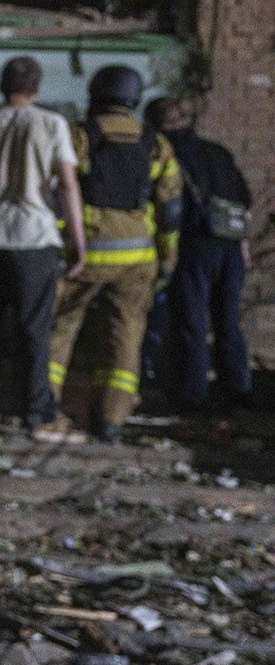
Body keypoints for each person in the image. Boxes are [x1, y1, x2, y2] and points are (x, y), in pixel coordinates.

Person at [0, 56, 87, 436]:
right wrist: (79, 241)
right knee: (33, 328)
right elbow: (69, 186)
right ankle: (38, 414)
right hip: (35, 237)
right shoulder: (53, 124)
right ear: (36, 87)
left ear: (1, 85)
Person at [46, 65, 182, 442]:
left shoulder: (79, 136)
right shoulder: (156, 144)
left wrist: (60, 248)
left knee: (59, 329)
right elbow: (171, 210)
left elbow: (58, 194)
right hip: (137, 259)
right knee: (124, 337)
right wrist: (167, 260)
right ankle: (110, 420)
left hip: (84, 255)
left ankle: (43, 408)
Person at [148, 96, 255, 435]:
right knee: (228, 322)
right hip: (230, 246)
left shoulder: (167, 154)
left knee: (191, 323)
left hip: (193, 246)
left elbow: (166, 203)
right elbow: (245, 200)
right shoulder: (218, 152)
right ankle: (237, 392)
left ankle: (192, 395)